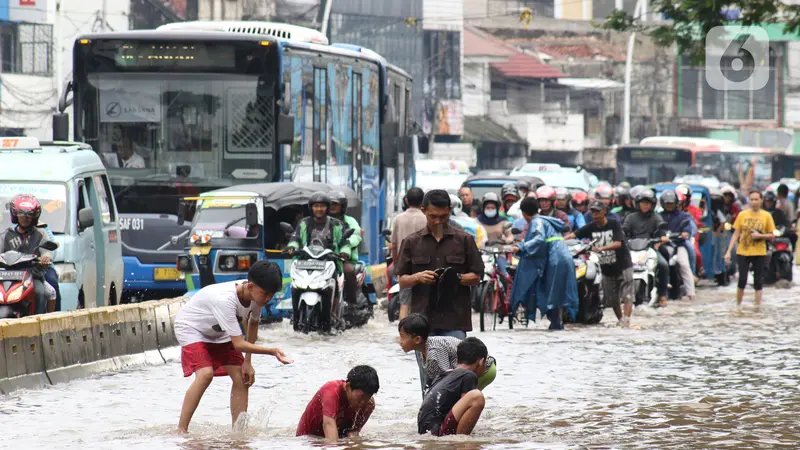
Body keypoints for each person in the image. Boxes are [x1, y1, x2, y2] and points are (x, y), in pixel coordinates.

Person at [174, 261, 293, 432]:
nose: (268, 299)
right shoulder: (226, 300)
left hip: (219, 332)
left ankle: (239, 432)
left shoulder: (256, 299)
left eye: (272, 295)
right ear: (250, 286)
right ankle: (181, 429)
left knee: (242, 378)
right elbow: (238, 344)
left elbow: (253, 324)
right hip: (191, 328)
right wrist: (271, 351)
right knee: (206, 374)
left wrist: (248, 362)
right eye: (265, 294)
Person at [395, 189, 483, 339]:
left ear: (449, 211)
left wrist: (456, 278)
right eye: (432, 216)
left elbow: (477, 277)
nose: (437, 221)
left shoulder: (464, 240)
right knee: (427, 363)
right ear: (423, 211)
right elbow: (402, 281)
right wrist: (417, 277)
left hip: (454, 321)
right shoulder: (411, 242)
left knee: (456, 363)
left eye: (443, 216)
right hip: (421, 323)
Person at [510, 196, 578, 330]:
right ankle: (557, 324)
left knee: (549, 291)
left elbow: (539, 239)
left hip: (555, 258)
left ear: (524, 213)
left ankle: (556, 324)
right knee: (556, 292)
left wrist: (521, 247)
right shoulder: (547, 220)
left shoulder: (537, 222)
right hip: (564, 256)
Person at [286, 192, 350, 326]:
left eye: (322, 206)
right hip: (304, 262)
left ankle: (333, 313)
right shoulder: (303, 223)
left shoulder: (336, 224)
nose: (319, 209)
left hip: (329, 262)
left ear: (327, 208)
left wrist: (344, 252)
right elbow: (295, 238)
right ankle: (295, 314)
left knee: (335, 286)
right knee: (295, 286)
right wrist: (292, 247)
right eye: (316, 206)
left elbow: (344, 243)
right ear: (311, 207)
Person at [567, 200, 634, 326]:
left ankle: (627, 320)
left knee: (627, 293)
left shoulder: (614, 224)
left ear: (604, 211)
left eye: (597, 211)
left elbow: (618, 243)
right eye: (592, 212)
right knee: (612, 299)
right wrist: (558, 241)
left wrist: (601, 248)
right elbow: (574, 235)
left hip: (623, 263)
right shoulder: (590, 227)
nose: (595, 214)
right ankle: (620, 320)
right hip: (606, 267)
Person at [398, 313, 496, 394]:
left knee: (461, 399)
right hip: (474, 367)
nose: (400, 341)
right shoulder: (422, 350)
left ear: (417, 339)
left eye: (402, 337)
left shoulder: (433, 353)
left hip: (485, 368)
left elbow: (448, 380)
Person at [417, 337, 487, 437]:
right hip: (436, 432)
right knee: (476, 397)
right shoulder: (468, 376)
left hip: (425, 431)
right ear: (481, 362)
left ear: (458, 359)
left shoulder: (444, 375)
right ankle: (460, 440)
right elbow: (465, 410)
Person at [0, 195, 56, 314]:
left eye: (29, 215)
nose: (25, 218)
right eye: (21, 214)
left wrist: (46, 258)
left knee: (41, 293)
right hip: (8, 277)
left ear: (35, 216)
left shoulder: (40, 234)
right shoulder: (6, 235)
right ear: (15, 215)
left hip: (32, 276)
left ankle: (40, 322)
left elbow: (47, 250)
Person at [296, 365, 379, 441]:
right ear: (348, 387)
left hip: (335, 437)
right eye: (361, 397)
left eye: (368, 397)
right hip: (306, 440)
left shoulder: (369, 404)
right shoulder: (331, 392)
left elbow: (353, 433)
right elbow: (329, 428)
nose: (364, 402)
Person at [725, 190, 775, 307]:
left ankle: (757, 307)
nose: (754, 202)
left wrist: (760, 236)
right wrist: (728, 252)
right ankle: (738, 306)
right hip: (743, 251)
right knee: (742, 280)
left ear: (761, 200)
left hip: (759, 252)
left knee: (758, 281)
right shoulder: (742, 214)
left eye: (756, 199)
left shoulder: (766, 216)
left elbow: (772, 234)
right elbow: (736, 234)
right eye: (751, 199)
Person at [622, 188, 669, 307]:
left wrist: (662, 237)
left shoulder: (656, 217)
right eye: (643, 203)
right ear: (638, 204)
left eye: (647, 203)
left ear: (652, 205)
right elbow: (624, 230)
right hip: (632, 249)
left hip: (650, 249)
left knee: (663, 265)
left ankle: (663, 295)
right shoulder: (631, 217)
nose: (645, 205)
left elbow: (662, 230)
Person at [391, 187, 428, 320]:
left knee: (404, 303)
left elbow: (394, 245)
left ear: (406, 201)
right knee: (424, 301)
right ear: (423, 201)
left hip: (405, 264)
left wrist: (397, 264)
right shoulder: (426, 218)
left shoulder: (398, 219)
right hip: (424, 264)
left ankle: (403, 334)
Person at [659, 190, 697, 300]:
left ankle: (691, 294)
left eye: (671, 204)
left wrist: (684, 233)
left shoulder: (683, 216)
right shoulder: (658, 216)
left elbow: (687, 230)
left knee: (684, 265)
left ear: (676, 203)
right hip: (662, 246)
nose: (669, 206)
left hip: (678, 245)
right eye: (667, 204)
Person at [330, 191, 362, 305]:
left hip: (343, 259)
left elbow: (356, 235)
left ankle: (352, 303)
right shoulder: (322, 221)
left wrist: (346, 243)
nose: (332, 206)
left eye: (336, 204)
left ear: (342, 206)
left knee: (348, 271)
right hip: (324, 259)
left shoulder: (349, 221)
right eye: (330, 204)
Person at [476, 192, 513, 277]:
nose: (490, 209)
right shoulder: (476, 222)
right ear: (483, 208)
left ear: (497, 208)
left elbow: (510, 235)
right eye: (487, 207)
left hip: (499, 253)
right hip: (482, 254)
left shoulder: (503, 221)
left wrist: (508, 240)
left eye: (492, 208)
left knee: (504, 273)